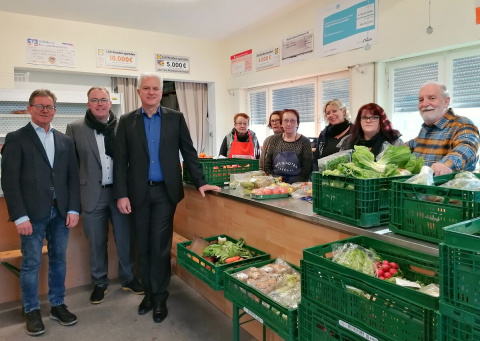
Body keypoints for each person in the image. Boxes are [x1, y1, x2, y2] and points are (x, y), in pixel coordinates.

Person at [114, 72, 220, 324]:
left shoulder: (176, 118)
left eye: (156, 88)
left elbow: (189, 151)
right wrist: (121, 194)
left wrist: (200, 181)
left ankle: (160, 297)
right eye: (146, 88)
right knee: (143, 245)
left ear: (161, 92)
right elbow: (120, 161)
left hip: (165, 193)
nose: (151, 92)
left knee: (160, 246)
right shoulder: (126, 121)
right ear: (139, 92)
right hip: (138, 193)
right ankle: (148, 294)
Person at [1, 89, 81, 336]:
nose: (45, 110)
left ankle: (57, 305)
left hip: (60, 212)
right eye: (39, 106)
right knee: (31, 263)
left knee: (59, 260)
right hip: (32, 215)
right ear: (29, 108)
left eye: (49, 106)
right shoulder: (16, 138)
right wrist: (20, 216)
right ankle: (32, 310)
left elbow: (72, 178)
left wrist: (73, 208)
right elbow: (10, 181)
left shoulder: (65, 141)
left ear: (55, 111)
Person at [65, 87, 143, 305]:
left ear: (110, 103)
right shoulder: (75, 128)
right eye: (94, 100)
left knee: (125, 240)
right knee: (96, 243)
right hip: (91, 195)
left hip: (121, 194)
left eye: (103, 100)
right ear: (88, 104)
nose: (99, 104)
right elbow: (70, 167)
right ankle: (99, 283)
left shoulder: (124, 126)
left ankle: (128, 278)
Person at [407, 81, 479, 175]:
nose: (424, 104)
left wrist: (446, 165)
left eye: (432, 98)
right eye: (421, 100)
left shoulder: (463, 125)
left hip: (448, 189)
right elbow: (408, 145)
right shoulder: (426, 130)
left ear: (446, 102)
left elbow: (467, 148)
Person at [264, 109, 312, 183]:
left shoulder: (304, 142)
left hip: (297, 185)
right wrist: (274, 181)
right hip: (276, 184)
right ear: (281, 124)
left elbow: (307, 169)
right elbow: (267, 164)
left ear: (297, 123)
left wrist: (296, 185)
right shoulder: (274, 139)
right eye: (286, 120)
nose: (289, 124)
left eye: (292, 121)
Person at [339, 103, 404, 158]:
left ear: (381, 121)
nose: (368, 121)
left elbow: (403, 169)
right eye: (364, 117)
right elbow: (341, 167)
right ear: (359, 121)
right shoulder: (347, 142)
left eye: (374, 117)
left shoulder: (393, 141)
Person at [312, 99, 352, 170]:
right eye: (328, 113)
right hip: (324, 178)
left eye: (334, 111)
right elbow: (316, 159)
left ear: (344, 112)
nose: (331, 115)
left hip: (348, 179)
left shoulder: (355, 132)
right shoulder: (324, 134)